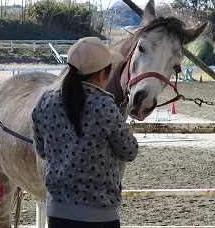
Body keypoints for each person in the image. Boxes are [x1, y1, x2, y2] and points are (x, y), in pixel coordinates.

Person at [32, 37, 139, 228]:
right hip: (99, 214)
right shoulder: (104, 106)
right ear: (101, 74)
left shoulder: (45, 102)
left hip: (58, 212)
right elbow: (129, 151)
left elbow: (41, 150)